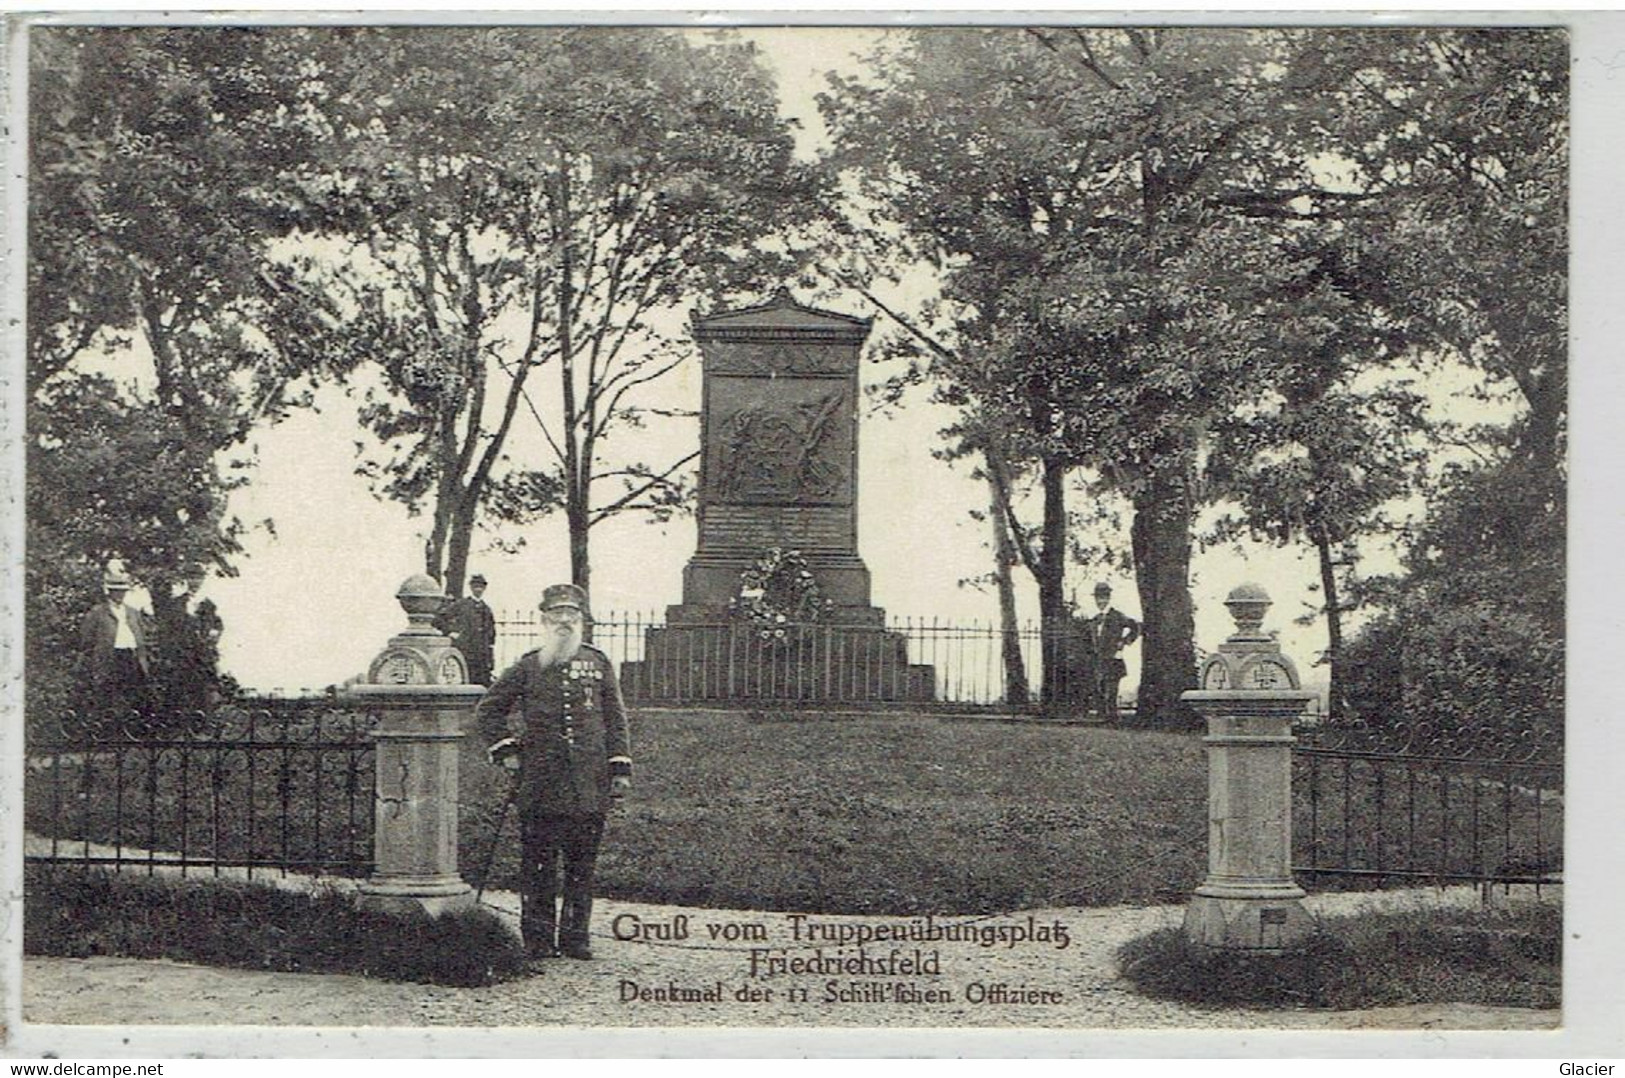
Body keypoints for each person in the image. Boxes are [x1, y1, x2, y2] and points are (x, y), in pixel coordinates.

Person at [475, 583, 631, 969]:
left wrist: (619, 767)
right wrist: (506, 750)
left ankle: (576, 938)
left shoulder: (598, 663)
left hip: (588, 784)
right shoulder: (529, 666)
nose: (564, 621)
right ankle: (539, 940)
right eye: (556, 615)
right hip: (540, 783)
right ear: (544, 621)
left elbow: (615, 718)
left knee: (582, 866)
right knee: (538, 865)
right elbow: (489, 710)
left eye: (571, 615)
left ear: (582, 621)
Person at [77, 559, 154, 720]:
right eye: (116, 591)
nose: (120, 594)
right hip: (110, 657)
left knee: (135, 693)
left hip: (132, 656)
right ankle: (111, 729)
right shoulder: (98, 612)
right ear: (109, 592)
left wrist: (143, 655)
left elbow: (142, 634)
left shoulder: (132, 612)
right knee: (110, 695)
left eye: (123, 591)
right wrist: (94, 658)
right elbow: (86, 639)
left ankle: (135, 728)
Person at [1085, 582, 1140, 723]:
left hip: (1113, 657)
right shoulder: (1095, 619)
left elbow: (1135, 627)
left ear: (1108, 598)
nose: (1100, 602)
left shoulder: (1117, 616)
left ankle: (1112, 716)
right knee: (1099, 686)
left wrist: (1124, 642)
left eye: (1103, 598)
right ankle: (1102, 716)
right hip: (1099, 659)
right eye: (1098, 598)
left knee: (1111, 688)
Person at [434, 572, 497, 685]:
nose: (478, 589)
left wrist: (489, 652)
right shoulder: (462, 605)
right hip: (465, 649)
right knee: (466, 678)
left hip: (482, 653)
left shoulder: (486, 609)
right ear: (471, 587)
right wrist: (450, 632)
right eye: (476, 586)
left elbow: (491, 633)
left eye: (481, 587)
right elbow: (439, 619)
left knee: (482, 682)